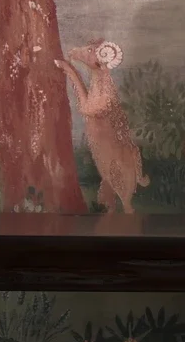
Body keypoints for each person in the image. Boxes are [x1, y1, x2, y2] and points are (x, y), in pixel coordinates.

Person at [63, 40, 148, 213]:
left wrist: (71, 72)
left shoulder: (106, 91)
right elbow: (88, 106)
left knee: (124, 201)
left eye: (89, 51)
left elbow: (87, 108)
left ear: (99, 60)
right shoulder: (98, 84)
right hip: (104, 152)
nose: (82, 53)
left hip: (113, 155)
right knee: (108, 198)